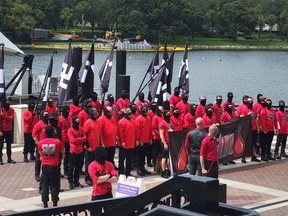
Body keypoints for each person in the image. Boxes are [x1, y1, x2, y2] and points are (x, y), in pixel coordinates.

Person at [38, 125, 64, 208]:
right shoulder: (57, 142)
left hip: (45, 166)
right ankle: (55, 202)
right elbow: (63, 150)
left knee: (45, 185)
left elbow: (40, 153)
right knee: (55, 185)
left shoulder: (41, 142)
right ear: (53, 132)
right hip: (54, 166)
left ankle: (45, 203)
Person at [88, 146, 118, 215]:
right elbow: (97, 181)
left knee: (110, 213)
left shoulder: (109, 164)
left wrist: (102, 178)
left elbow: (115, 179)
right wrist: (109, 175)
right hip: (97, 194)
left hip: (108, 193)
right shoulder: (92, 166)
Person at [67, 116, 87, 189]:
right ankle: (70, 182)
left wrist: (78, 139)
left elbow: (85, 137)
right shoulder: (70, 130)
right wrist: (80, 139)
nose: (77, 123)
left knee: (78, 168)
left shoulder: (81, 129)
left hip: (80, 151)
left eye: (78, 122)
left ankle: (76, 181)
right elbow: (73, 141)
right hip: (73, 151)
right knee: (71, 168)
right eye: (76, 122)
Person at [83, 108, 101, 186]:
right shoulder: (87, 123)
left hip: (96, 147)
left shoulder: (98, 121)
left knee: (95, 163)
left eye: (96, 113)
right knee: (89, 163)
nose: (95, 115)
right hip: (90, 147)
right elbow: (85, 135)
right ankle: (87, 178)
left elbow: (99, 134)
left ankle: (94, 177)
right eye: (93, 113)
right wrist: (87, 146)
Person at [118, 108, 138, 177]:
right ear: (125, 114)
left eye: (130, 113)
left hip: (131, 143)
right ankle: (121, 172)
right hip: (124, 143)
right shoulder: (121, 122)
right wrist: (122, 142)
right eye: (128, 113)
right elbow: (120, 133)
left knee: (129, 159)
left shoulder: (133, 121)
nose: (130, 115)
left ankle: (128, 172)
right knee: (122, 158)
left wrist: (136, 140)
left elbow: (136, 132)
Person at [240, 97, 261, 162]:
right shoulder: (245, 109)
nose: (250, 103)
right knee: (245, 143)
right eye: (249, 102)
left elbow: (256, 118)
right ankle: (243, 157)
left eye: (251, 101)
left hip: (254, 128)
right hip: (247, 129)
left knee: (254, 143)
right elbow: (241, 117)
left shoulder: (254, 109)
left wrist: (258, 127)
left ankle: (253, 156)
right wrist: (247, 116)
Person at [32, 110, 49, 182]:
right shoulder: (38, 125)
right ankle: (37, 175)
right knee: (38, 160)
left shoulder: (49, 124)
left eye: (47, 115)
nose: (46, 117)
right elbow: (34, 136)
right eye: (45, 115)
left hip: (48, 145)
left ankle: (45, 175)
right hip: (40, 145)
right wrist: (38, 144)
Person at [135, 105, 152, 176]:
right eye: (144, 111)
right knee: (139, 156)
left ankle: (143, 168)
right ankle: (139, 169)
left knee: (144, 155)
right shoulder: (138, 119)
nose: (145, 112)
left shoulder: (148, 118)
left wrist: (150, 138)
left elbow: (150, 129)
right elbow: (137, 131)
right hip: (141, 141)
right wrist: (139, 140)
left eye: (146, 111)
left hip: (147, 140)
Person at [0, 100, 16, 165]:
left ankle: (9, 158)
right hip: (1, 130)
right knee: (0, 145)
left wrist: (5, 116)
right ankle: (0, 159)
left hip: (9, 129)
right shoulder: (0, 110)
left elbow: (11, 118)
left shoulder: (11, 110)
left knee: (9, 145)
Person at [159, 110, 173, 178]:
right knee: (164, 157)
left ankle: (168, 169)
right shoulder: (162, 123)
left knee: (169, 157)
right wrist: (164, 143)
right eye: (167, 114)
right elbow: (161, 134)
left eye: (169, 114)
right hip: (165, 142)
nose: (169, 115)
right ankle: (163, 171)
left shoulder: (170, 122)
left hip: (170, 142)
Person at [58, 105, 71, 176]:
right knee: (60, 157)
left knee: (67, 157)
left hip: (68, 140)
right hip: (62, 140)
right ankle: (59, 171)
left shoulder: (69, 118)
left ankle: (66, 171)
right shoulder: (60, 119)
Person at [151, 106, 163, 170]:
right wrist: (160, 134)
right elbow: (153, 128)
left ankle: (160, 166)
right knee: (156, 151)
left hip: (162, 138)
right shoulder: (155, 118)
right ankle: (155, 165)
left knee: (161, 152)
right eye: (160, 111)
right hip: (156, 137)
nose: (161, 112)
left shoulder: (162, 117)